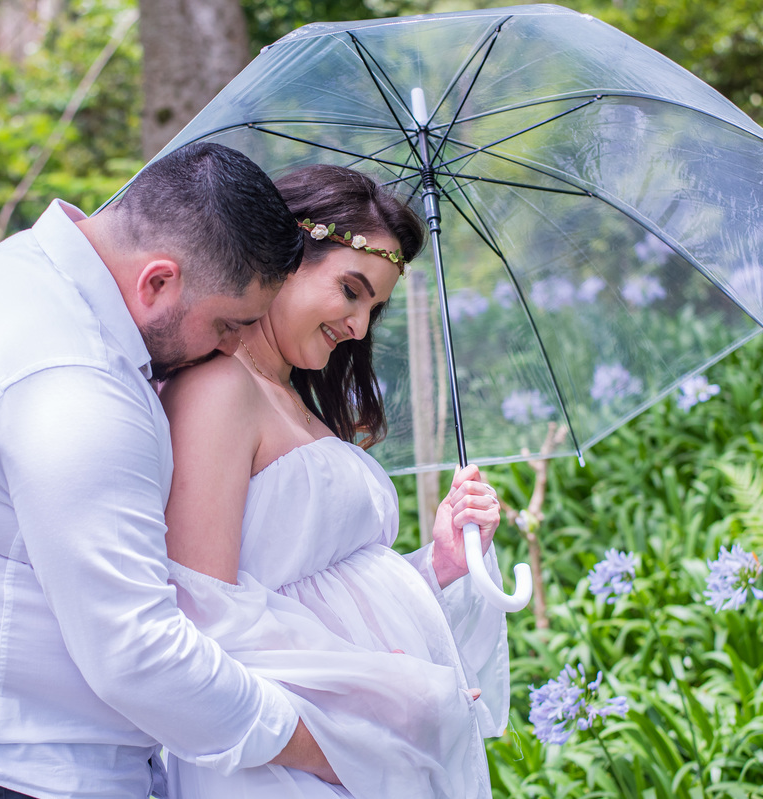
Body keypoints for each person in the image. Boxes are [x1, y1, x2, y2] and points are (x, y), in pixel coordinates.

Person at [0, 143, 340, 799]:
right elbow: (136, 653)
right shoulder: (73, 387)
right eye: (227, 324)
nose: (233, 350)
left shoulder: (29, 271)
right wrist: (322, 744)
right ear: (157, 281)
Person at [159, 164, 510, 799]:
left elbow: (321, 588)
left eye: (374, 305)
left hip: (369, 739)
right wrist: (372, 681)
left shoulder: (291, 399)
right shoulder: (218, 389)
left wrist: (440, 567)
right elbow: (201, 606)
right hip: (289, 757)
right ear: (285, 257)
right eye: (351, 290)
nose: (360, 326)